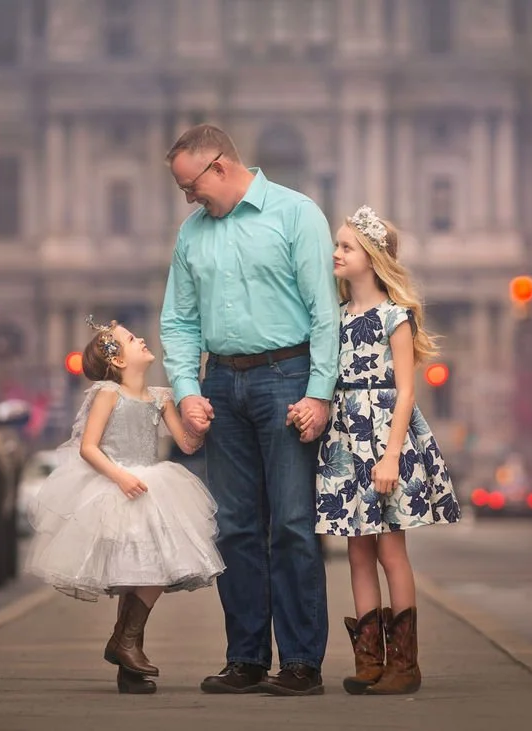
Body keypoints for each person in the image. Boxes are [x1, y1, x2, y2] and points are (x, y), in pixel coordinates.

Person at [160, 124, 340, 696]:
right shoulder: (192, 235)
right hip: (221, 385)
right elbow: (180, 321)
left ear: (219, 166)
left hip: (287, 377)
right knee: (235, 528)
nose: (189, 199)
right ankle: (246, 659)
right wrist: (188, 390)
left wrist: (320, 392)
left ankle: (302, 663)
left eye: (191, 187)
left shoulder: (296, 214)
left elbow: (324, 311)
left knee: (290, 523)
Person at [295, 205, 460, 696]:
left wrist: (391, 457)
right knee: (358, 553)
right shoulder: (335, 316)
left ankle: (404, 665)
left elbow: (407, 391)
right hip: (345, 440)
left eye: (346, 246)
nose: (336, 253)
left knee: (391, 553)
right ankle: (369, 659)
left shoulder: (395, 316)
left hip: (387, 438)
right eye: (338, 245)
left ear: (371, 256)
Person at [26, 316, 225, 695]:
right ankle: (126, 646)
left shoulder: (161, 397)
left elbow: (185, 444)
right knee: (144, 571)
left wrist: (197, 427)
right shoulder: (107, 395)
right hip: (121, 487)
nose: (142, 341)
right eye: (132, 340)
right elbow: (89, 447)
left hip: (154, 485)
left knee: (147, 570)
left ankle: (126, 649)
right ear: (118, 362)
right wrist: (119, 476)